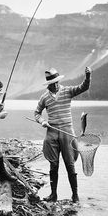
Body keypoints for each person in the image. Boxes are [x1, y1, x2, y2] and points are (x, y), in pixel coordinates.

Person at [34, 67, 92, 203]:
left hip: (67, 132)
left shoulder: (67, 91)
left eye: (56, 81)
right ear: (48, 84)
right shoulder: (44, 97)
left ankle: (75, 195)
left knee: (70, 164)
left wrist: (88, 76)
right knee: (53, 165)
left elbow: (83, 87)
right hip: (52, 132)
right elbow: (36, 113)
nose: (55, 84)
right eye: (52, 82)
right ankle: (53, 194)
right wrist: (42, 121)